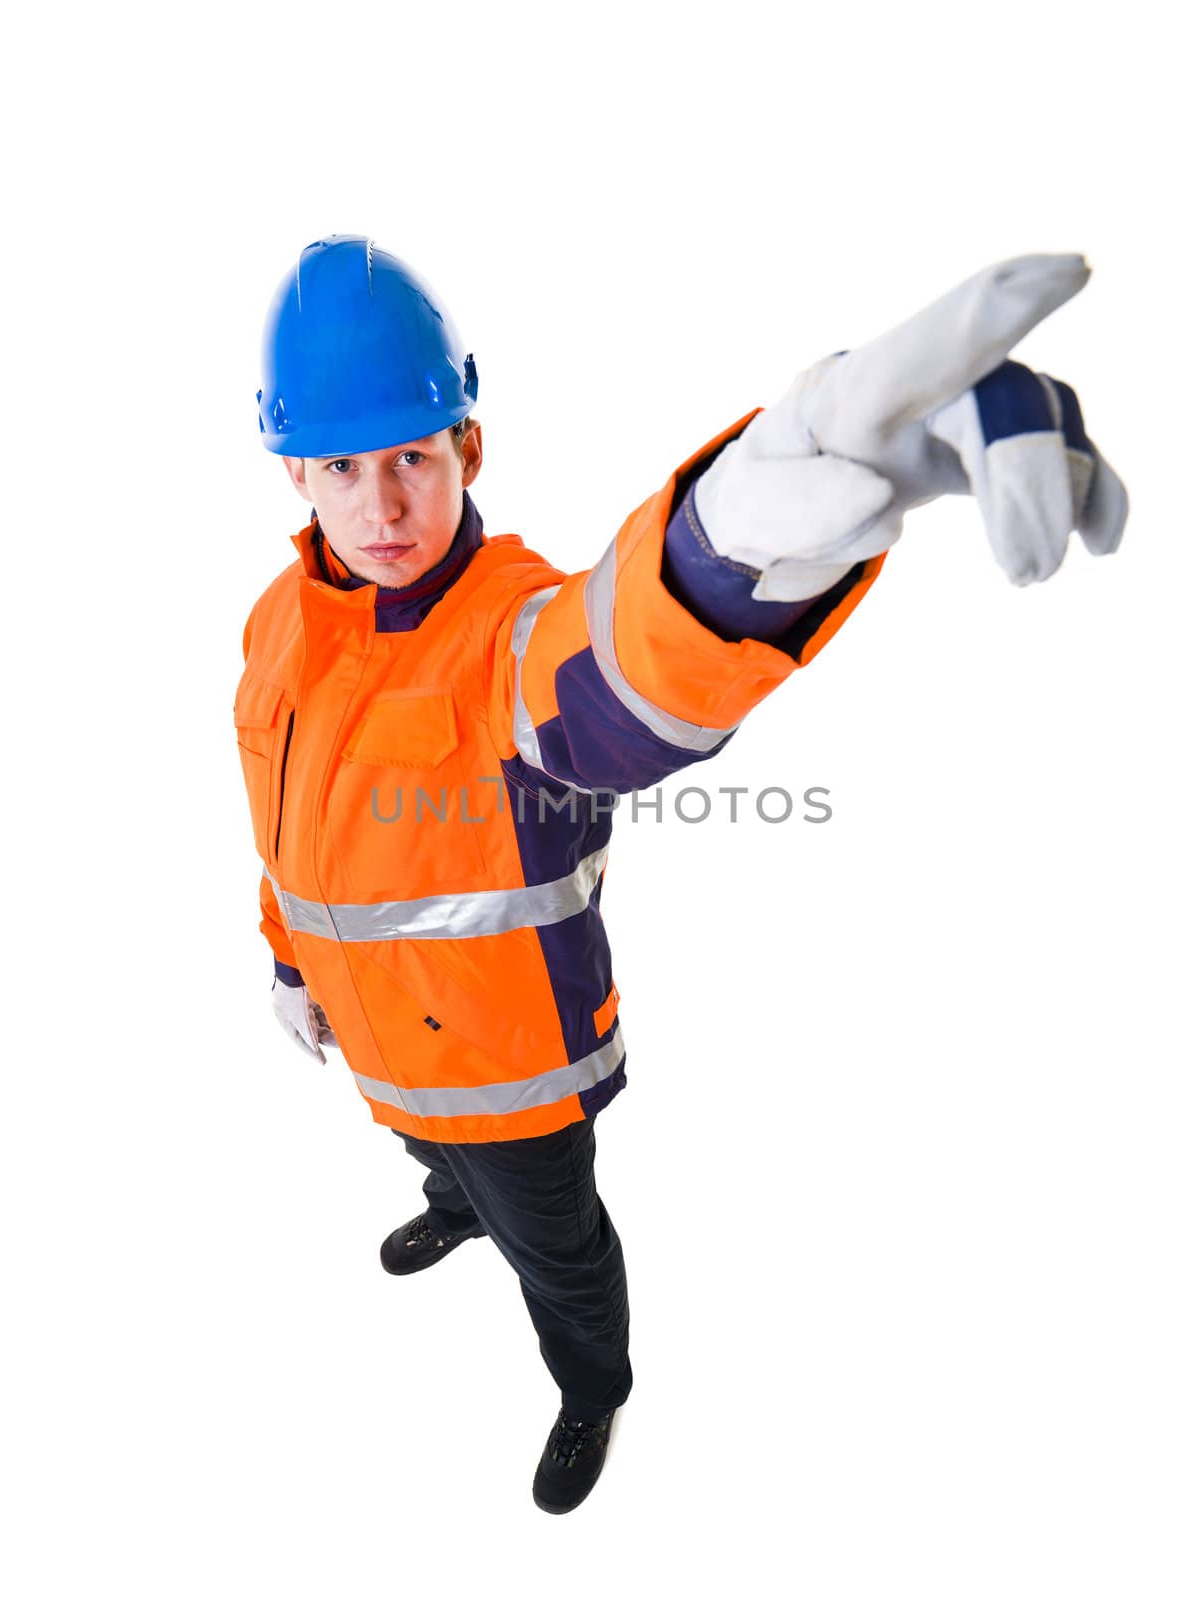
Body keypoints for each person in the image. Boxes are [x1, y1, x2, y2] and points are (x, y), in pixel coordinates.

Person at [235, 235, 1127, 1515]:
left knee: (565, 1251)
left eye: (413, 460)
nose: (382, 508)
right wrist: (283, 955)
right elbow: (278, 823)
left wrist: (735, 545)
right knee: (427, 1151)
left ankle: (594, 1384)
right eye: (343, 468)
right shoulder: (275, 623)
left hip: (517, 1072)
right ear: (294, 470)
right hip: (380, 1051)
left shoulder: (508, 625)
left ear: (466, 452)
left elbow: (615, 673)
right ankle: (453, 1194)